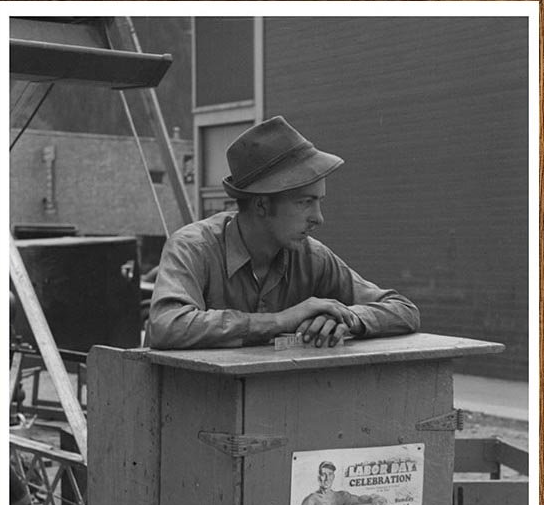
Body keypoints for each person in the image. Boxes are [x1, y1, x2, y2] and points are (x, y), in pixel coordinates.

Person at [148, 116, 420, 350]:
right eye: (305, 202)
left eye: (319, 201)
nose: (318, 218)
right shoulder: (192, 248)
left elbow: (403, 309)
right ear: (262, 205)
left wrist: (346, 318)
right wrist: (281, 321)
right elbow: (166, 325)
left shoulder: (312, 257)